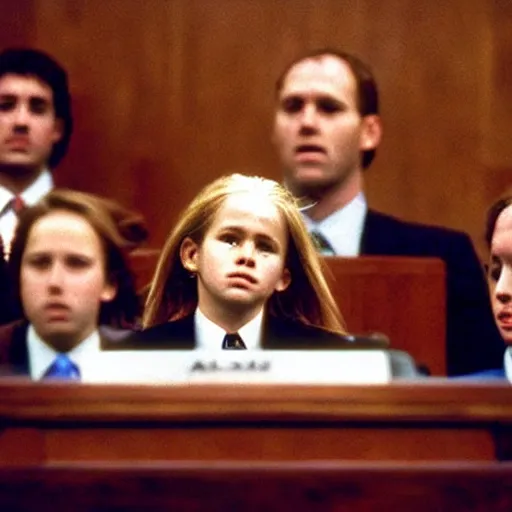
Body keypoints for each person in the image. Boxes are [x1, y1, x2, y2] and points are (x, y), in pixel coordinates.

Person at [272, 48, 505, 376]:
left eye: (329, 107)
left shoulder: (441, 260)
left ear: (370, 132)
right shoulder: (223, 257)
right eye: (293, 106)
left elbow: (484, 390)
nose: (307, 122)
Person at [139, 173, 351, 349]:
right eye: (230, 240)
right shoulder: (140, 355)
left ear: (283, 277)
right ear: (192, 255)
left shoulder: (328, 357)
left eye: (265, 247)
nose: (247, 257)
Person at [0, 189, 148, 380]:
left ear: (109, 284)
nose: (55, 282)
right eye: (40, 263)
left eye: (77, 263)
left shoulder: (145, 368)